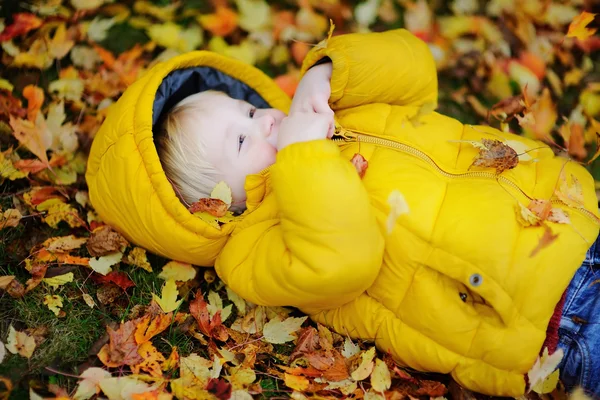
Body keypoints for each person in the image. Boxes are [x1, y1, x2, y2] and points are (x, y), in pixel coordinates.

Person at [85, 28, 600, 397]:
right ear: (216, 205)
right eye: (241, 139)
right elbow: (345, 261)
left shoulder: (326, 112)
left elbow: (416, 70)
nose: (266, 120)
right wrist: (303, 159)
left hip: (571, 214)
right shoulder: (251, 250)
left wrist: (328, 73)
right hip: (547, 311)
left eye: (247, 109)